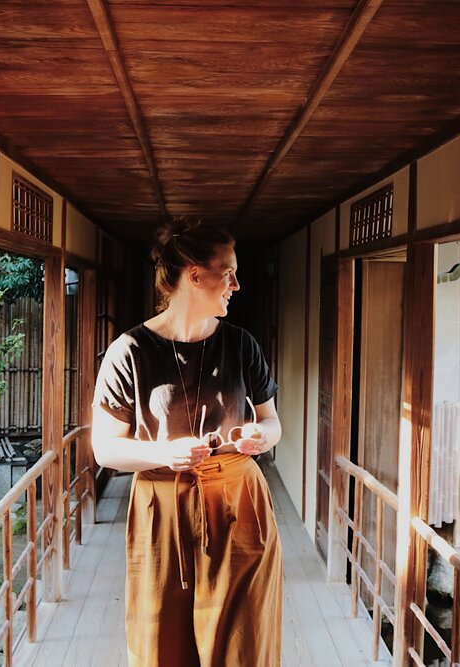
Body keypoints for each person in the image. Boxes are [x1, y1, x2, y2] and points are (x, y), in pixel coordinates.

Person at [91, 220, 283, 666]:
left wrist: (260, 435)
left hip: (240, 504)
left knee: (244, 644)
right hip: (163, 507)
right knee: (162, 643)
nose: (237, 284)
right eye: (228, 272)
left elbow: (273, 423)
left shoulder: (241, 345)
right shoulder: (130, 351)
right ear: (195, 275)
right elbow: (105, 448)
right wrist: (164, 453)